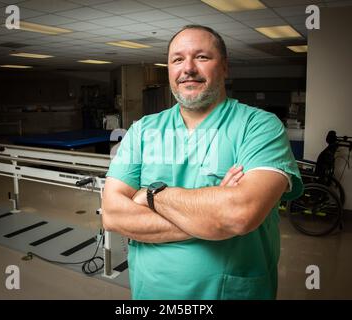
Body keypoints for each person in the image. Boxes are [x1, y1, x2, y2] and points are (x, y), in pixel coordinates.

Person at [102, 25, 303, 300]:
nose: (188, 68)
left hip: (230, 293)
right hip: (152, 291)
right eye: (177, 59)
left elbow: (238, 215)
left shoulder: (259, 126)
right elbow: (113, 214)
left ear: (225, 68)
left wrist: (149, 195)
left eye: (202, 57)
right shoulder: (142, 130)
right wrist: (212, 217)